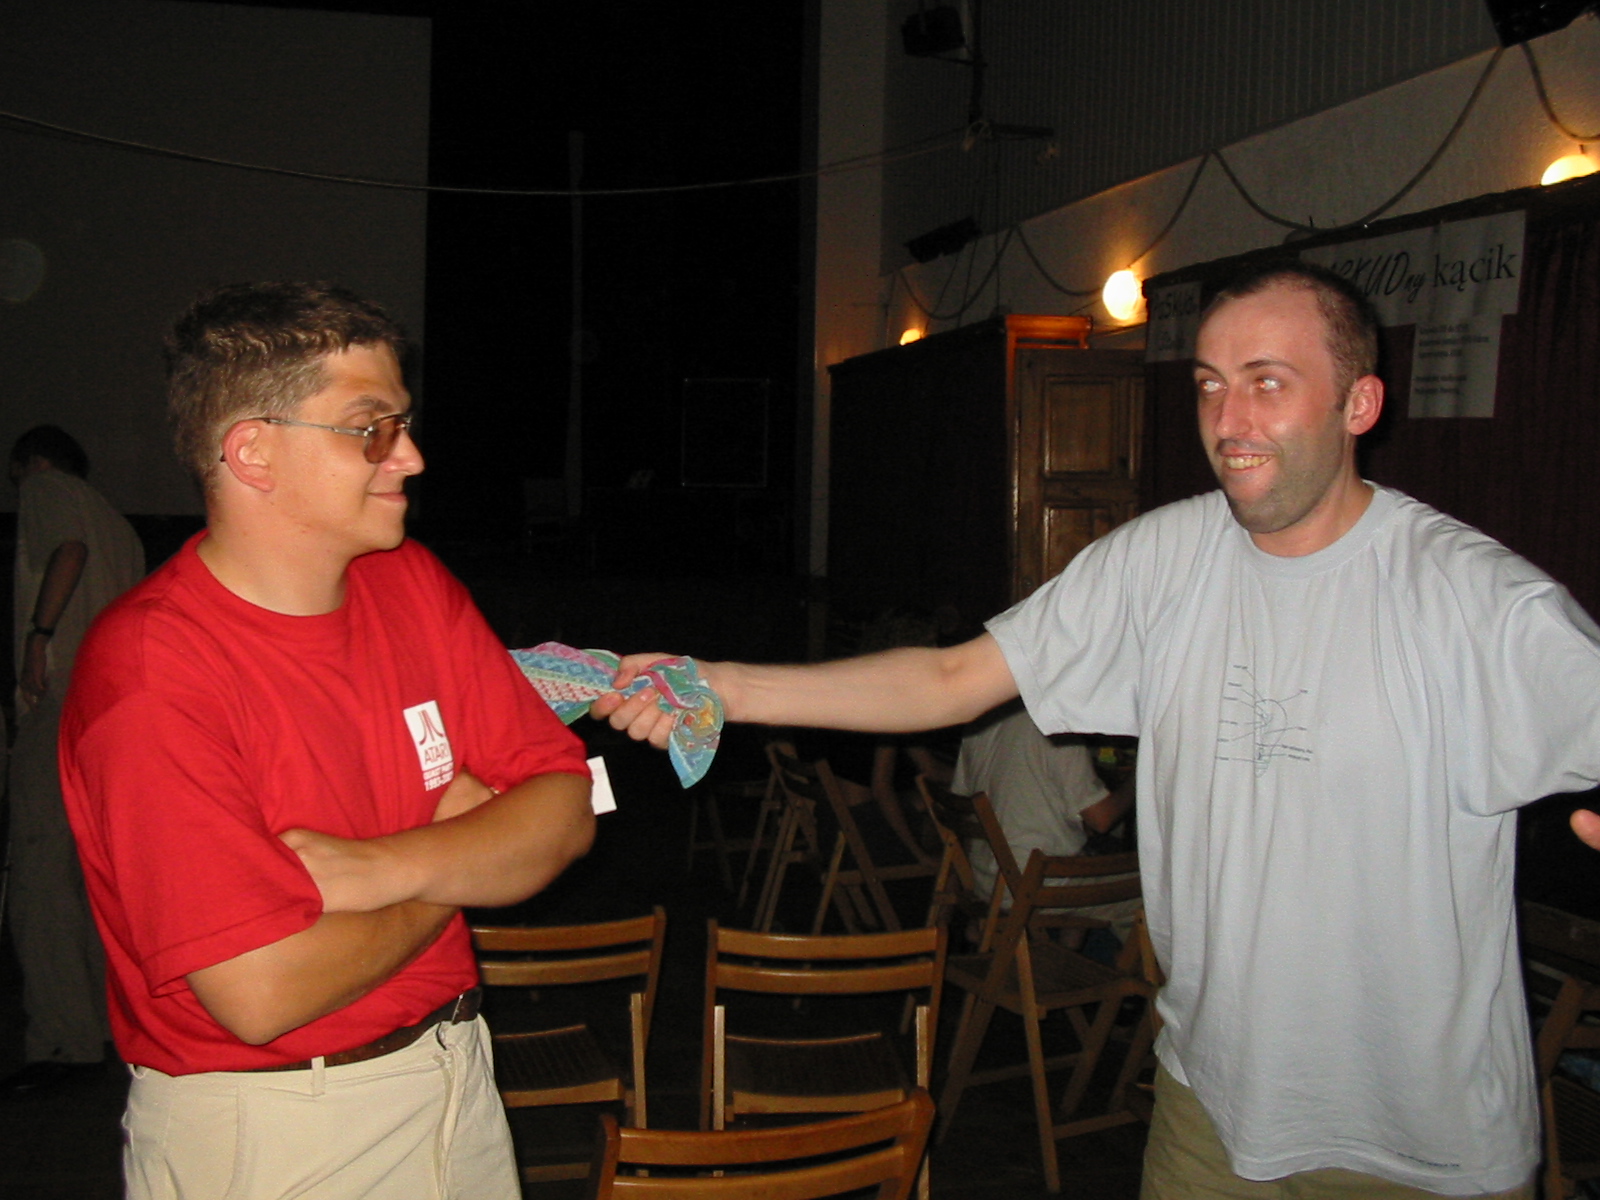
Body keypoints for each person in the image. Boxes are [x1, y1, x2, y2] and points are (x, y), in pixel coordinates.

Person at [597, 261, 1600, 1199]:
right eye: (1209, 385)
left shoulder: (1475, 602)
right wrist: (720, 685)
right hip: (1209, 1105)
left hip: (1418, 1145)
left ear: (1359, 403)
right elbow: (951, 678)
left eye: (1267, 382)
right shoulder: (1163, 560)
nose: (1228, 420)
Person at [58, 282, 595, 1199]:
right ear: (254, 453)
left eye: (402, 424)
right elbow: (263, 993)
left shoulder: (410, 582)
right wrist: (460, 853)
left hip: (457, 1074)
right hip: (278, 1128)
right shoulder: (152, 673)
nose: (409, 456)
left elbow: (567, 808)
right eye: (368, 428)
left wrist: (378, 869)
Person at [4, 426, 143, 1096]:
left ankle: (65, 1038)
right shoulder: (120, 523)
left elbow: (68, 547)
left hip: (63, 694)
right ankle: (107, 1028)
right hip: (113, 705)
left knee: (40, 868)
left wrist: (39, 635)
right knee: (93, 874)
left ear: (29, 462)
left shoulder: (47, 488)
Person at [951, 701, 1138, 947]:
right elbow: (1102, 820)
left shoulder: (983, 720)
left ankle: (1059, 961)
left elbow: (965, 799)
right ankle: (1139, 968)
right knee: (1150, 886)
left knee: (1085, 855)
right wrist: (1139, 778)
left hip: (986, 881)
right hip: (1033, 884)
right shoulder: (1056, 731)